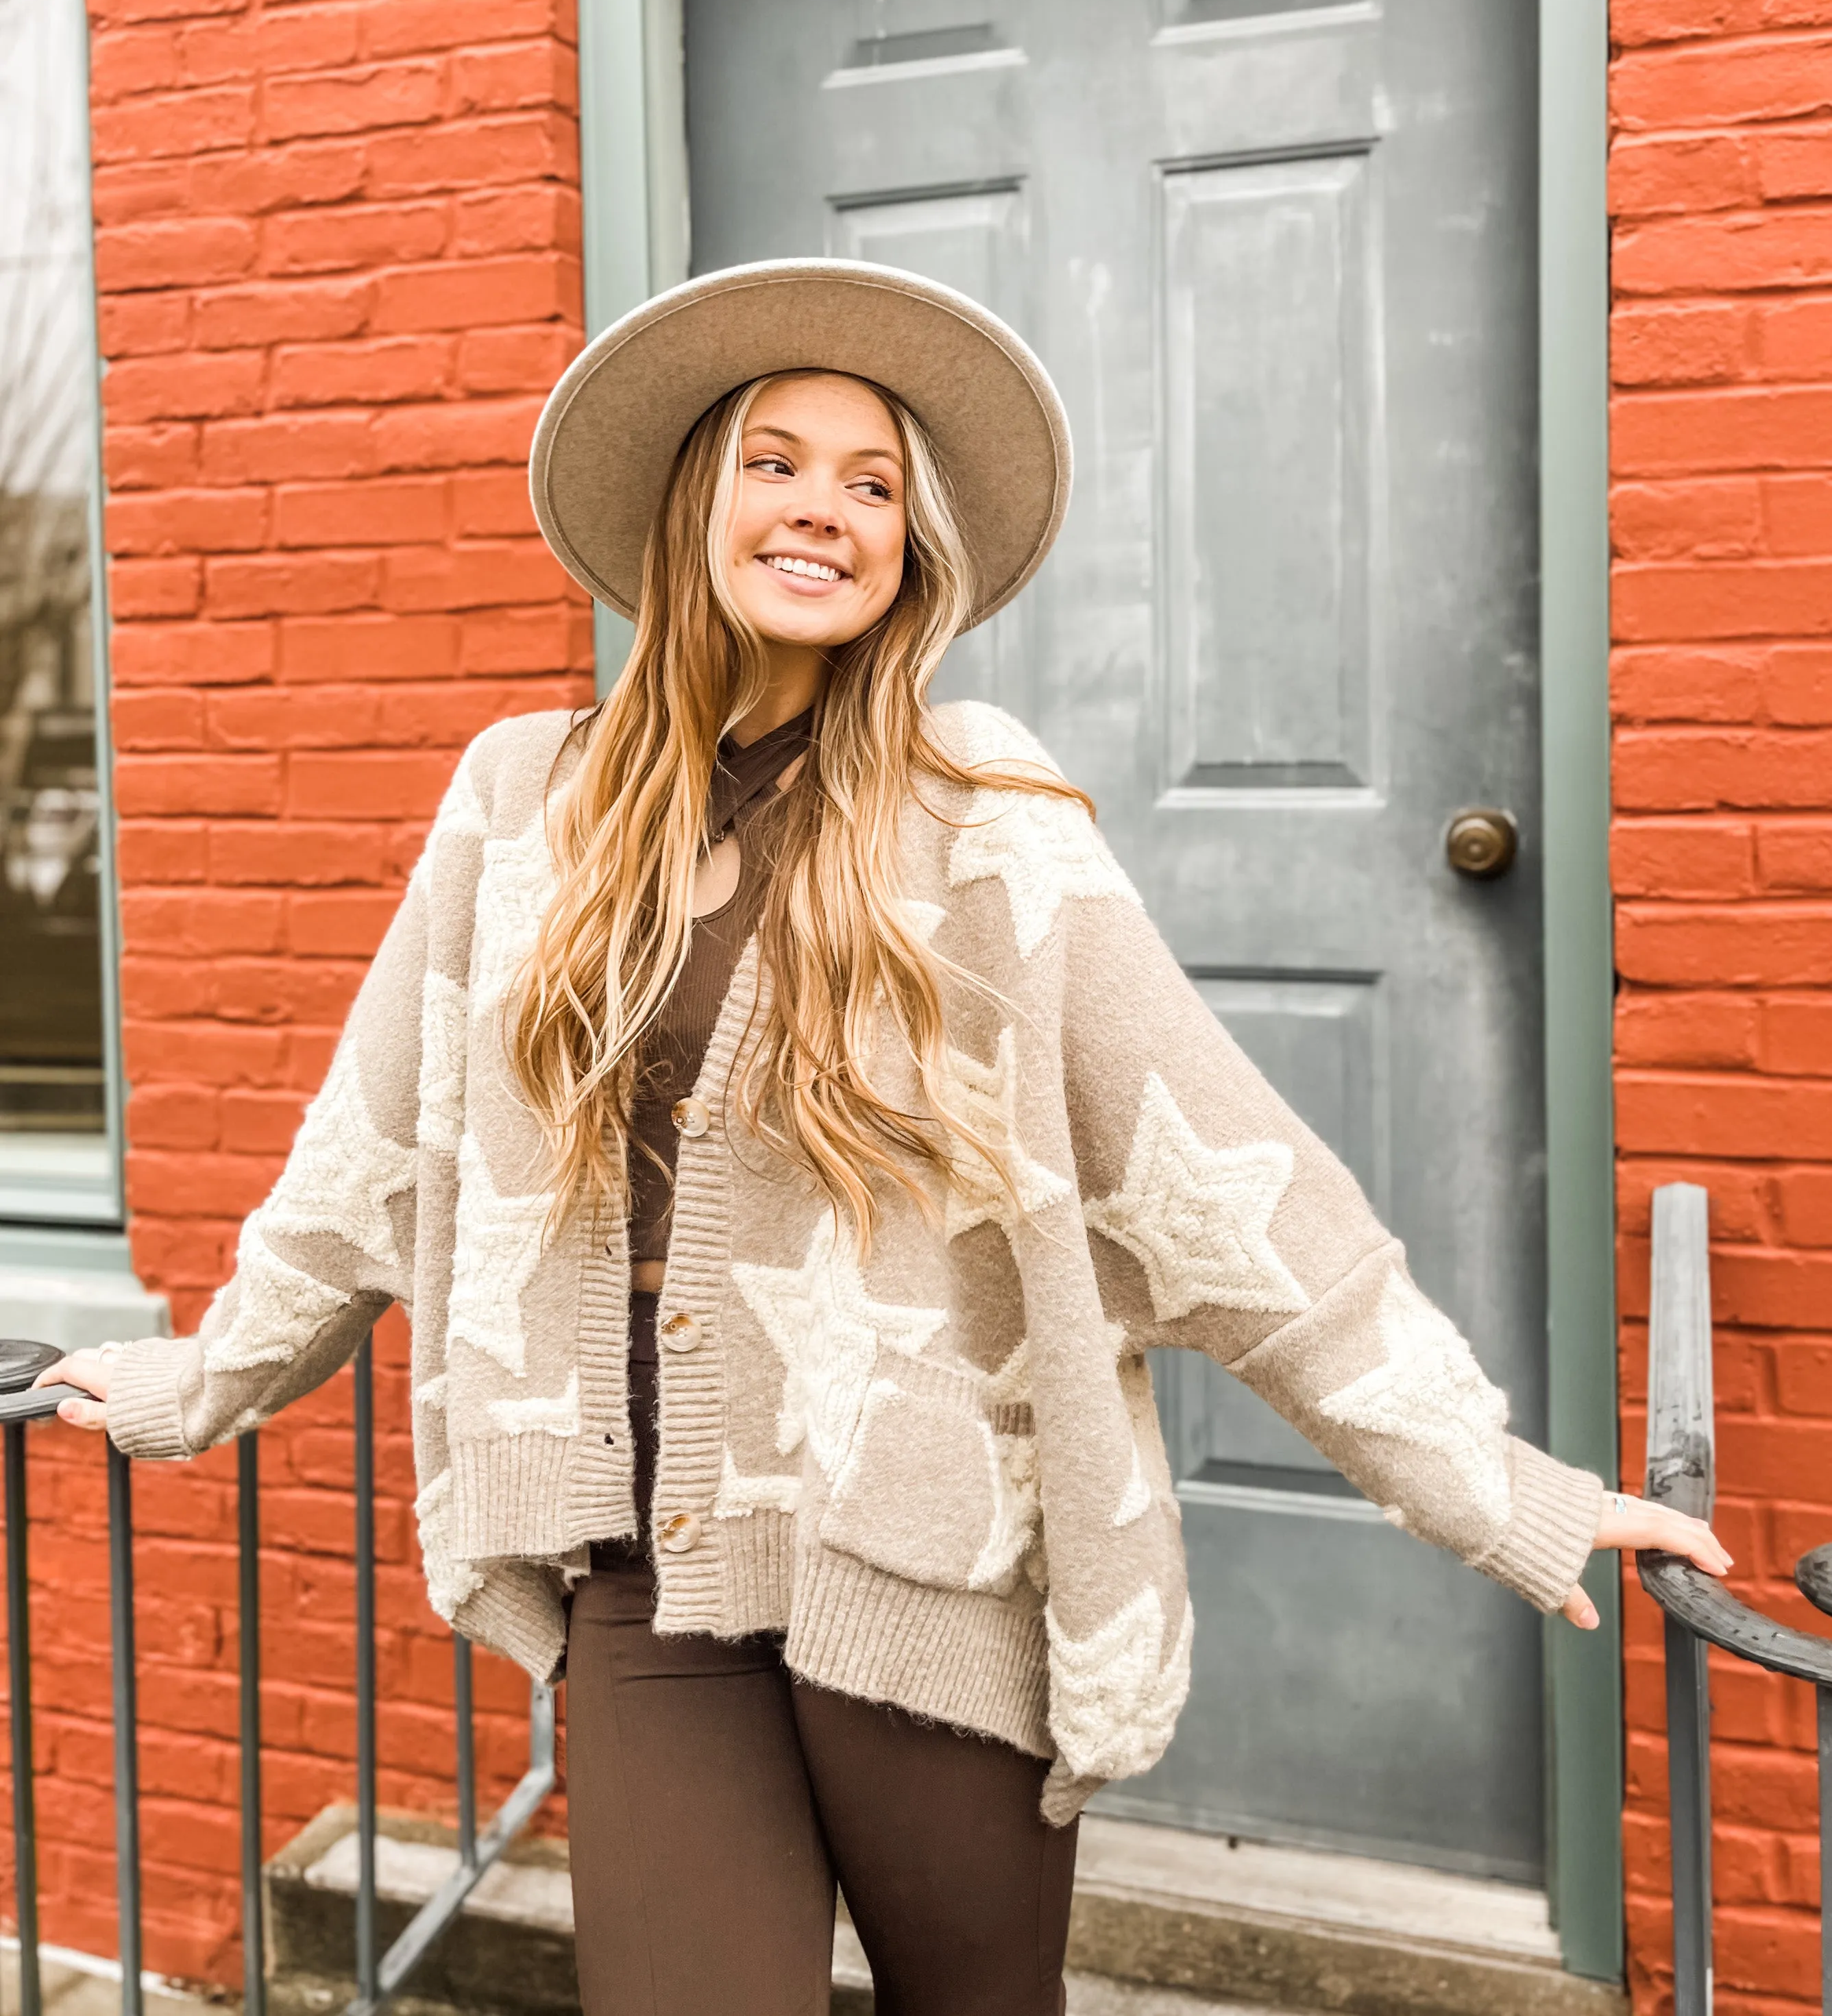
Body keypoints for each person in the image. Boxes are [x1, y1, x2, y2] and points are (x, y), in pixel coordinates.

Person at [44, 260, 1727, 2016]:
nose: (824, 513)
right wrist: (205, 1375)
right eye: (779, 462)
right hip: (647, 1569)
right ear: (697, 497)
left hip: (925, 1562)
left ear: (908, 552)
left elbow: (1227, 1179)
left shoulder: (980, 819)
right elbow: (370, 1147)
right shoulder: (519, 801)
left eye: (872, 486)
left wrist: (1495, 1483)